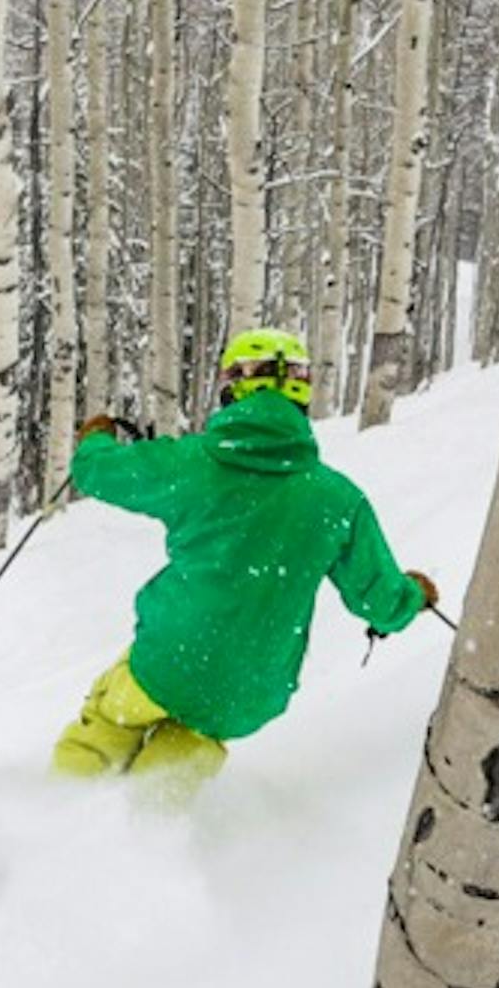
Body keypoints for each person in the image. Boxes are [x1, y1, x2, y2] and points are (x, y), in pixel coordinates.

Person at [50, 327, 438, 782]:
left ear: (232, 390)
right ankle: (145, 837)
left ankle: (57, 812)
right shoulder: (337, 499)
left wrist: (96, 438)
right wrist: (415, 594)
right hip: (250, 689)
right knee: (185, 751)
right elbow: (382, 604)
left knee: (109, 724)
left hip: (171, 657)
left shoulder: (193, 464)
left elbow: (96, 472)